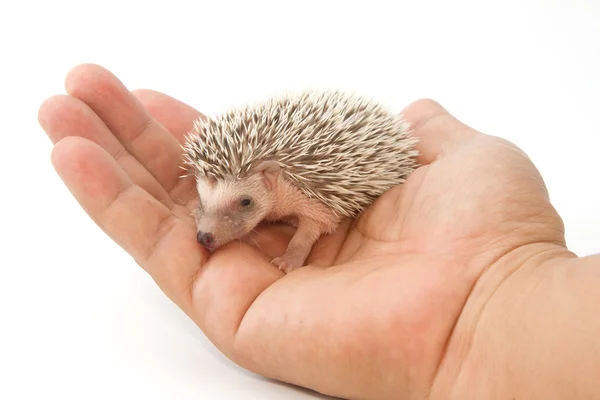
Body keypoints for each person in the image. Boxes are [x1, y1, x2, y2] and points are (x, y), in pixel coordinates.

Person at [38, 64, 599, 399]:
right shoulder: (245, 183)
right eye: (209, 208)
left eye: (242, 207)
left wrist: (299, 250)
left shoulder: (304, 190)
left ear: (272, 180)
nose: (213, 230)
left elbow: (322, 218)